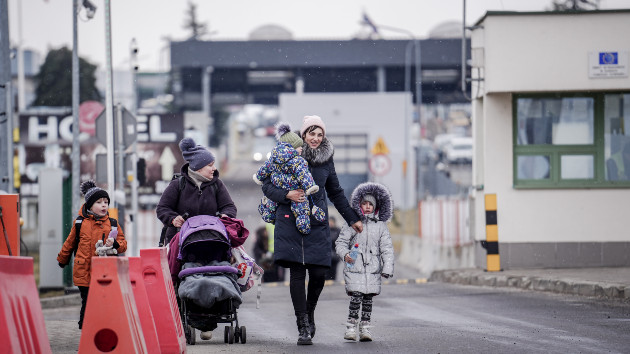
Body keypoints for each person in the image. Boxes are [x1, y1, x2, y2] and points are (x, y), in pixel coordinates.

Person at [261, 115, 363, 345]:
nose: (315, 139)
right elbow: (266, 185)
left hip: (317, 221)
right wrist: (286, 194)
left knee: (318, 273)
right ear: (303, 135)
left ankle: (309, 313)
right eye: (311, 134)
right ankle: (302, 326)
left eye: (320, 135)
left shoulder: (326, 160)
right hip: (289, 220)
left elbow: (335, 192)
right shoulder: (287, 153)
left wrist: (352, 218)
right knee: (297, 272)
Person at [156, 137, 237, 341]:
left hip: (212, 240)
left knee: (213, 274)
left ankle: (209, 318)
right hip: (183, 241)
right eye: (210, 165)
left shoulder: (217, 185)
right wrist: (172, 219)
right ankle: (192, 318)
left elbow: (229, 207)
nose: (213, 169)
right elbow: (162, 209)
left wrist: (226, 216)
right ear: (199, 167)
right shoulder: (178, 185)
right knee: (186, 274)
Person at [57, 180, 127, 330]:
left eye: (106, 202)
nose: (104, 205)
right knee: (88, 302)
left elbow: (123, 244)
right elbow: (69, 244)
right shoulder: (80, 223)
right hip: (84, 272)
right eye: (99, 202)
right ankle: (86, 330)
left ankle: (103, 328)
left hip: (105, 272)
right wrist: (62, 260)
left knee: (105, 301)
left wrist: (114, 244)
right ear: (89, 205)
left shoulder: (112, 223)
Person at [335, 182, 394, 342]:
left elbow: (387, 248)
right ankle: (351, 328)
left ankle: (365, 328)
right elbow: (340, 243)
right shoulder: (352, 223)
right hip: (354, 268)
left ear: (375, 207)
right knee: (356, 298)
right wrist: (346, 254)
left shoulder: (381, 227)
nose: (367, 207)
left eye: (370, 204)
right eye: (364, 204)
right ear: (358, 205)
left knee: (368, 300)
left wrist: (387, 266)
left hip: (373, 270)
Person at [253, 122, 324, 234]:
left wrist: (258, 177)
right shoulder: (298, 161)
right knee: (300, 208)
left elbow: (264, 170)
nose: (301, 149)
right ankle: (303, 225)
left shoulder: (273, 158)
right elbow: (304, 176)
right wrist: (310, 187)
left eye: (319, 135)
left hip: (279, 196)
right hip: (296, 195)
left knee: (271, 205)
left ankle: (267, 214)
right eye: (299, 146)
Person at [325, 216, 341, 280]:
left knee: (333, 270)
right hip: (326, 254)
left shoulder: (337, 230)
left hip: (334, 254)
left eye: (332, 222)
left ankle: (332, 280)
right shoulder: (325, 230)